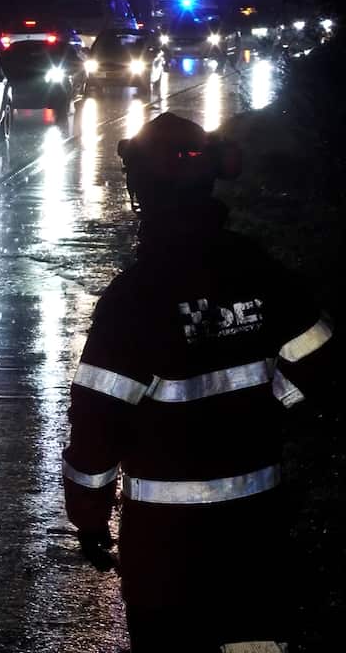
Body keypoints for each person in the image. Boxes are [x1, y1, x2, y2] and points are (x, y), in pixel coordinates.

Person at [62, 112, 337, 652]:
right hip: (258, 531)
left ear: (140, 189)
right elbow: (323, 361)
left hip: (168, 547)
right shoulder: (259, 271)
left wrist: (90, 518)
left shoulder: (133, 298)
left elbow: (97, 423)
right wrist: (267, 403)